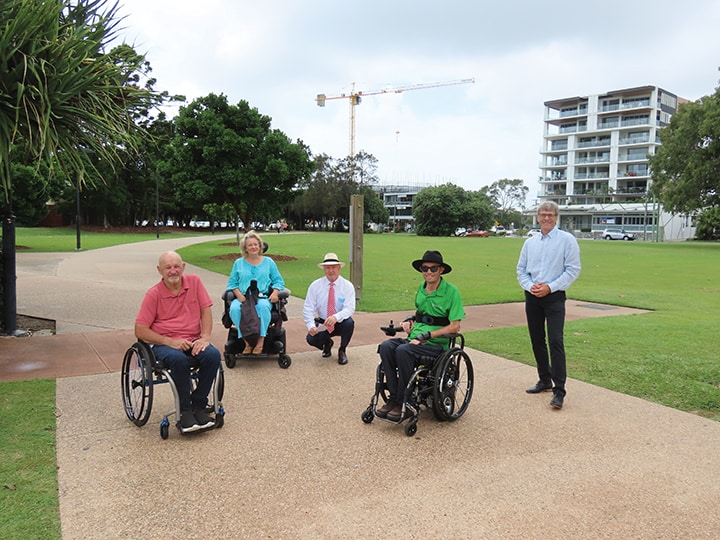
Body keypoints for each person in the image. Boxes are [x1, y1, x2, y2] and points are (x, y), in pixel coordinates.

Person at [135, 251, 221, 433]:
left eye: (176, 266)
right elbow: (140, 330)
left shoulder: (195, 282)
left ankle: (198, 405)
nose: (173, 271)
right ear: (160, 270)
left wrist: (205, 337)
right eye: (168, 267)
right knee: (178, 360)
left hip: (193, 339)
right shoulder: (154, 294)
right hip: (164, 343)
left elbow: (206, 311)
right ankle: (185, 411)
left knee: (212, 355)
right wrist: (170, 341)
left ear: (183, 267)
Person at [376, 250, 465, 422]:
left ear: (441, 270)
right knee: (387, 347)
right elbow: (421, 315)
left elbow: (455, 326)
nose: (429, 272)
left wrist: (427, 334)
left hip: (437, 345)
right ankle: (395, 399)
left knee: (403, 351)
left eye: (433, 268)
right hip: (414, 340)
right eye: (425, 268)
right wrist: (409, 322)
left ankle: (406, 402)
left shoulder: (452, 292)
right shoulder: (421, 288)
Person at [517, 201, 581, 410]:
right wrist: (530, 286)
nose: (546, 218)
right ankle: (544, 379)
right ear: (537, 217)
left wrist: (550, 288)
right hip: (533, 295)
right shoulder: (530, 243)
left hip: (554, 296)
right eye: (543, 215)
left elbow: (572, 269)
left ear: (556, 217)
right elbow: (521, 269)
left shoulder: (567, 240)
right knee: (537, 339)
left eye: (550, 215)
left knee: (555, 341)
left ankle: (559, 390)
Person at [227, 230, 285, 355]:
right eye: (250, 245)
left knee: (263, 307)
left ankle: (260, 342)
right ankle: (247, 342)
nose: (253, 247)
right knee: (235, 309)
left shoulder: (269, 262)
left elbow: (278, 281)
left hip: (262, 297)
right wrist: (238, 295)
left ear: (260, 246)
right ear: (245, 248)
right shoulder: (238, 263)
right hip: (244, 297)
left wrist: (275, 293)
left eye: (255, 244)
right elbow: (232, 284)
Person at [303, 252, 356, 365]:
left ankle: (342, 350)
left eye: (333, 267)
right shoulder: (315, 286)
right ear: (324, 269)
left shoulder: (347, 286)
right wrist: (310, 325)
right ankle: (327, 344)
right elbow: (308, 307)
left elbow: (350, 308)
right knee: (311, 339)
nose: (331, 271)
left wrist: (336, 317)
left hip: (340, 320)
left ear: (339, 268)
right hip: (323, 322)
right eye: (328, 268)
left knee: (349, 323)